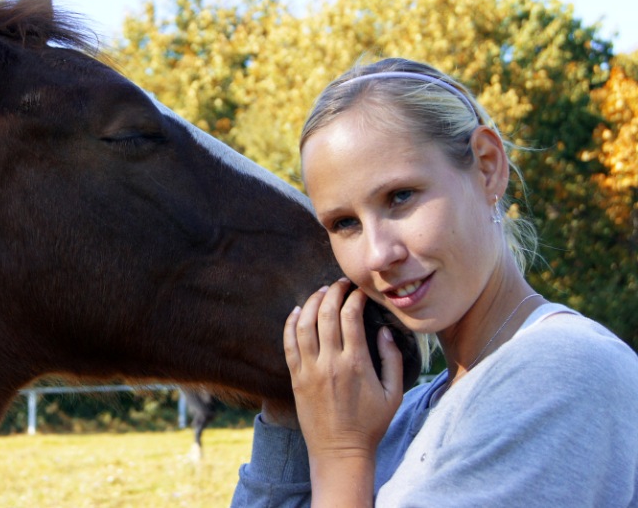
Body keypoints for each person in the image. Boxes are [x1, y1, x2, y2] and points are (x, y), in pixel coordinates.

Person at [230, 57, 638, 507]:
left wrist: (340, 455)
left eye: (400, 197)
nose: (377, 255)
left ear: (487, 166)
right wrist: (292, 411)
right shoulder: (400, 415)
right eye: (345, 223)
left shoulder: (564, 372)